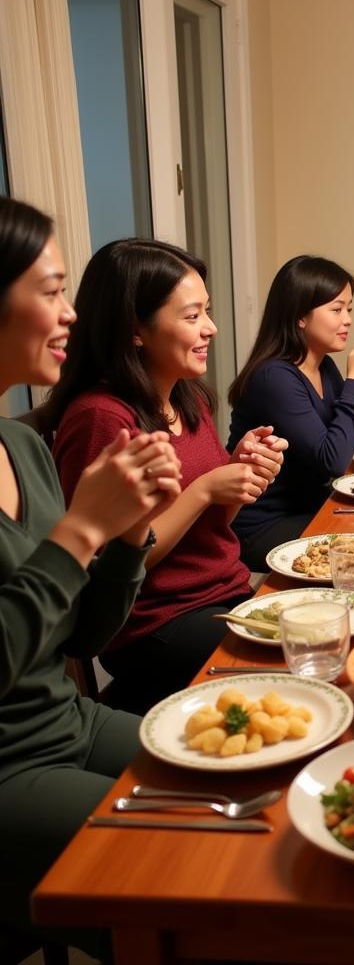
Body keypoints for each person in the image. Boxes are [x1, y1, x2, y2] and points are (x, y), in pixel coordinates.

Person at [0, 198, 181, 955]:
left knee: (228, 779)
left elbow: (81, 636)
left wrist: (130, 533)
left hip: (67, 721)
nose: (71, 313)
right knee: (186, 854)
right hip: (10, 764)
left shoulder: (20, 442)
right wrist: (80, 531)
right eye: (50, 291)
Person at [47, 239, 286, 713]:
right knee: (299, 664)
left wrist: (240, 471)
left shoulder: (187, 398)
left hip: (225, 592)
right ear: (136, 329)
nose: (211, 329)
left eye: (208, 312)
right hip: (152, 624)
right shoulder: (101, 418)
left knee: (333, 620)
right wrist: (202, 490)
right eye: (192, 316)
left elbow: (216, 520)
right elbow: (109, 564)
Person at [227, 255, 354, 569]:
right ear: (300, 317)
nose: (347, 319)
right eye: (336, 309)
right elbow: (333, 460)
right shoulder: (274, 377)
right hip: (263, 526)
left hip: (310, 507)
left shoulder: (324, 366)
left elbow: (347, 447)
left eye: (349, 309)